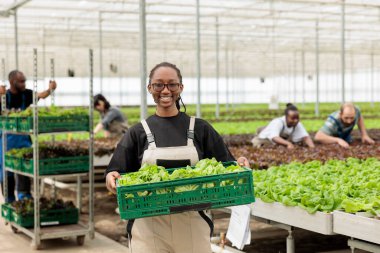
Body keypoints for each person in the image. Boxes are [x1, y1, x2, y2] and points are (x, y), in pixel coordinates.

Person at [105, 62, 249, 253]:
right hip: (149, 227)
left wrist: (239, 164)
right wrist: (111, 177)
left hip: (192, 223)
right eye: (159, 84)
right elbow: (116, 170)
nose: (166, 90)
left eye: (172, 84)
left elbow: (227, 165)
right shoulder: (137, 132)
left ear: (180, 88)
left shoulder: (200, 128)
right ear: (150, 88)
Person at [0, 70, 57, 202]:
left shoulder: (26, 94)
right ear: (12, 82)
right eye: (21, 81)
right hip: (6, 140)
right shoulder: (4, 95)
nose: (24, 83)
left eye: (24, 80)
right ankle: (9, 200)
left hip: (23, 139)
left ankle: (24, 197)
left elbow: (41, 95)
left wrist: (50, 89)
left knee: (24, 168)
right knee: (6, 172)